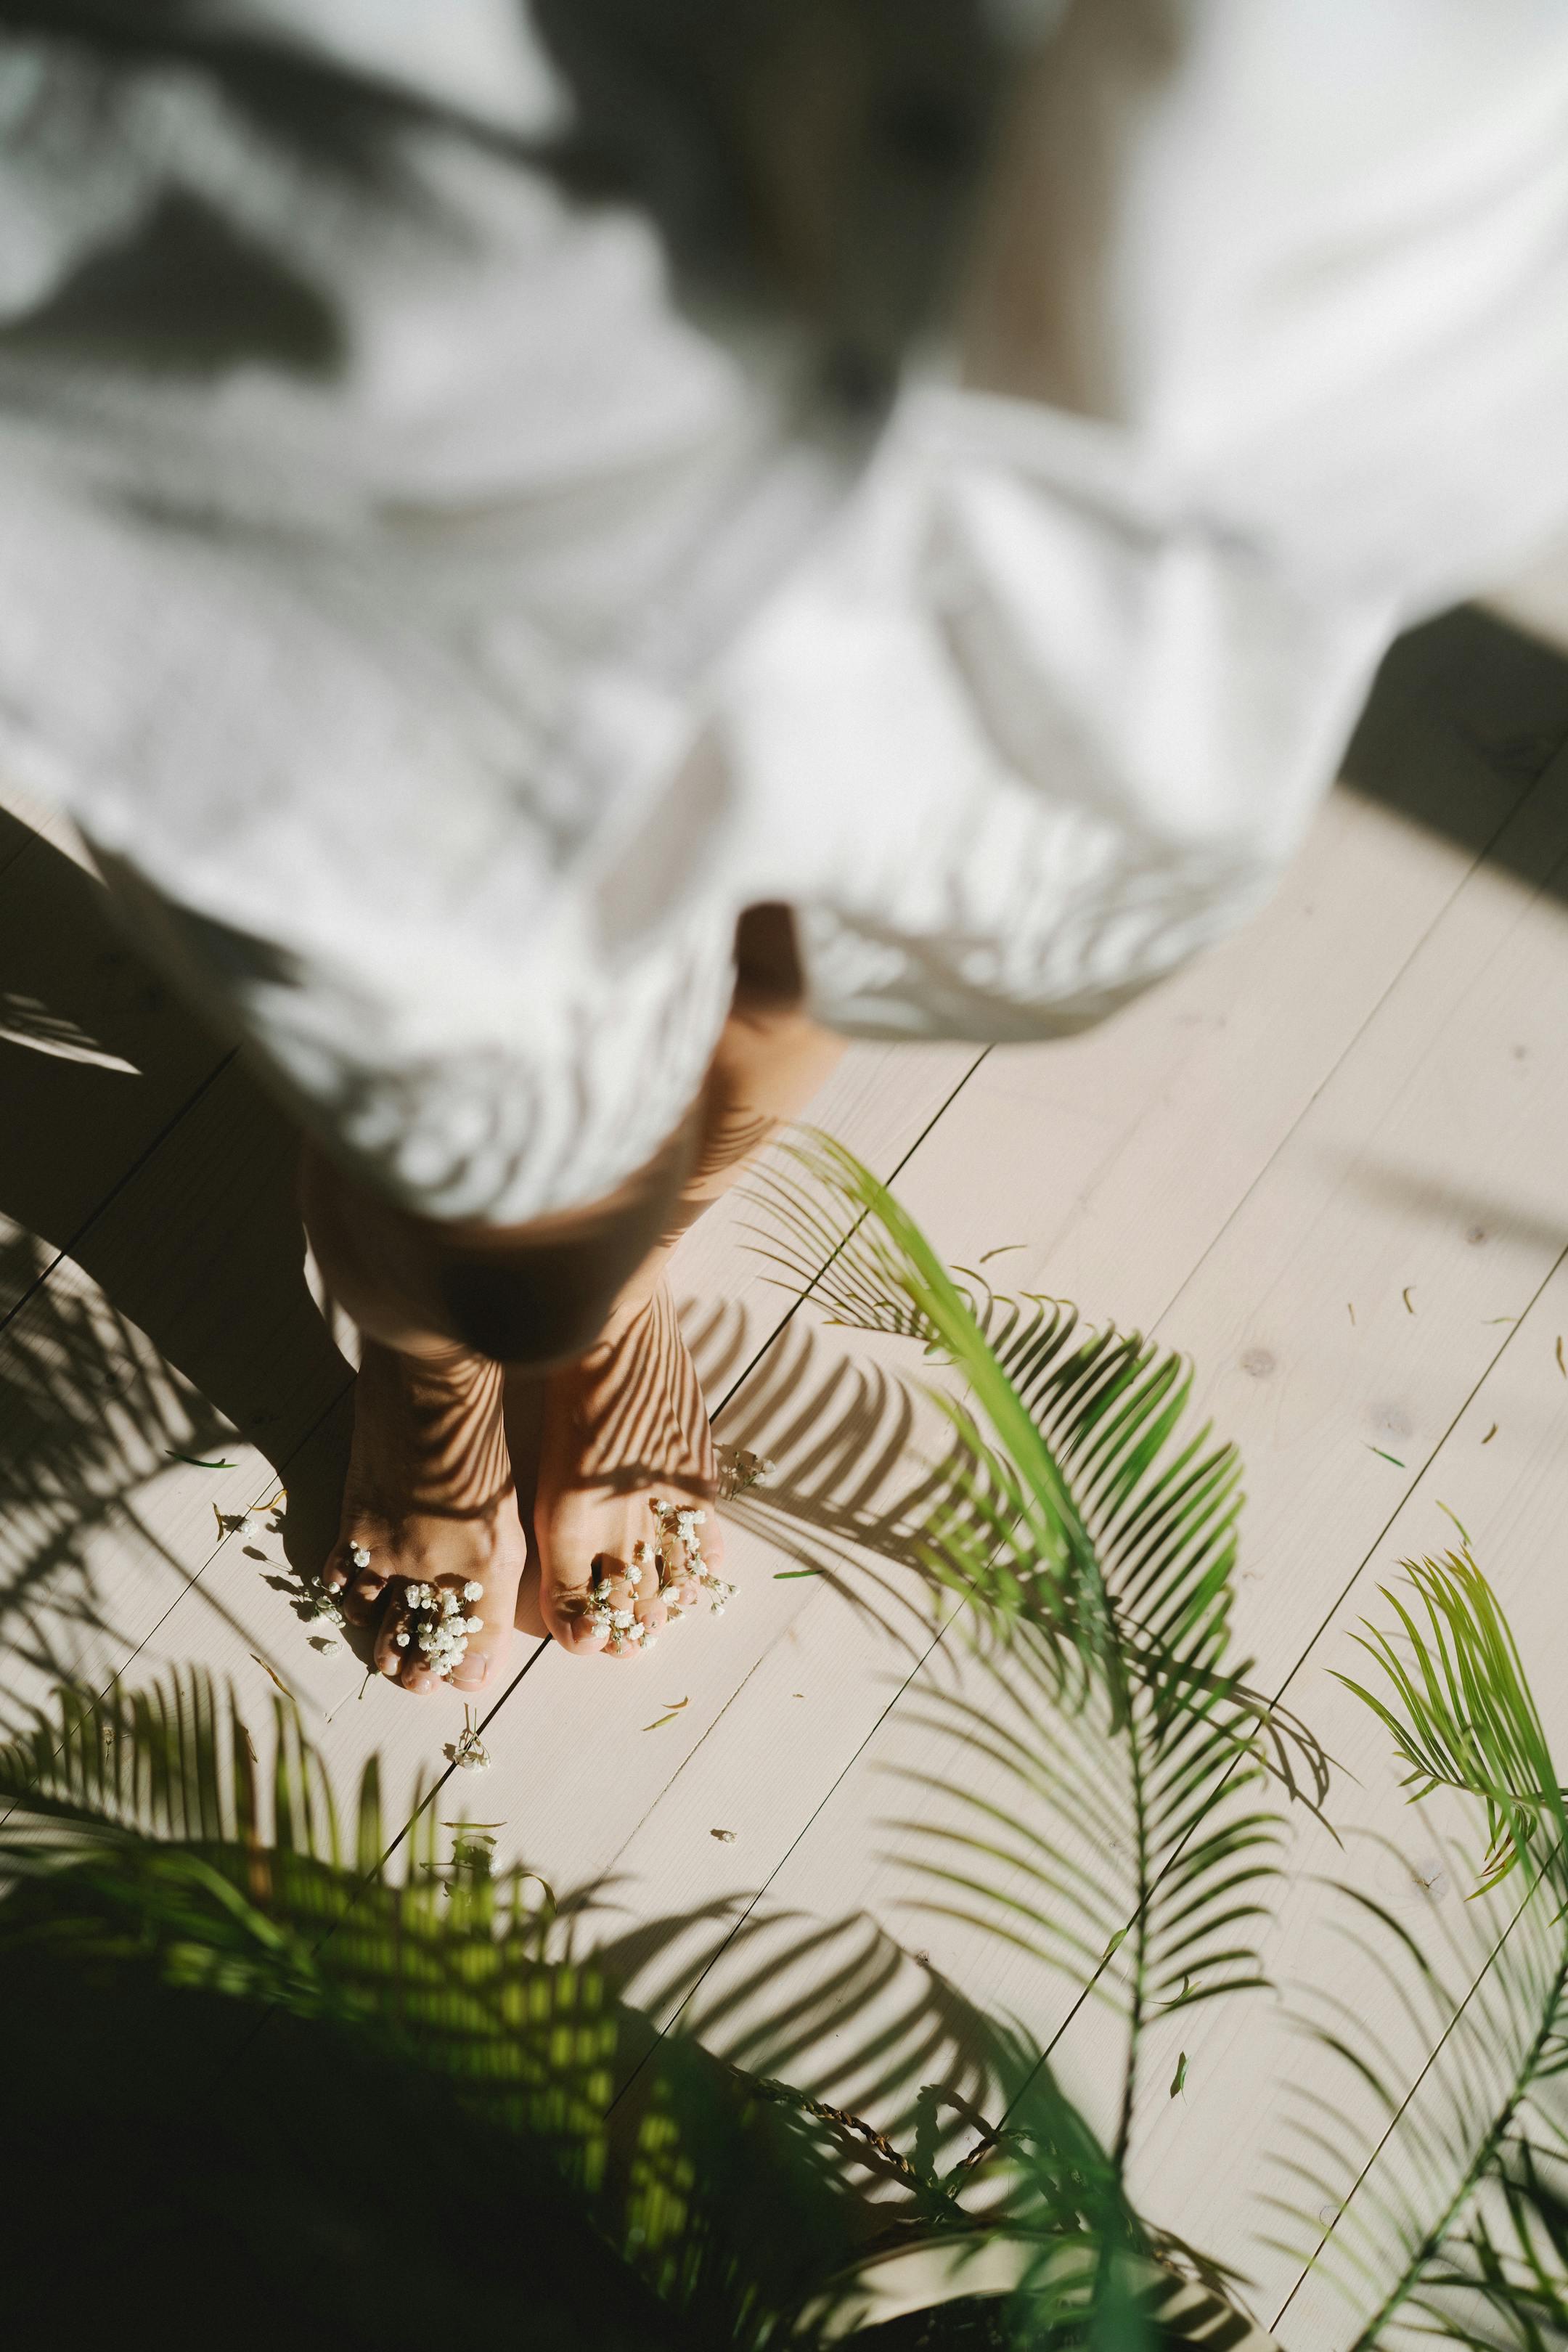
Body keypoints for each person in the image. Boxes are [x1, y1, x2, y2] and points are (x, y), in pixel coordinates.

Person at [6, 0, 1568, 1695]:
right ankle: (459, 1360)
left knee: (859, 890)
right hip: (399, 332)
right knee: (457, 1075)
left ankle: (599, 1306)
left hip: (1195, 357)